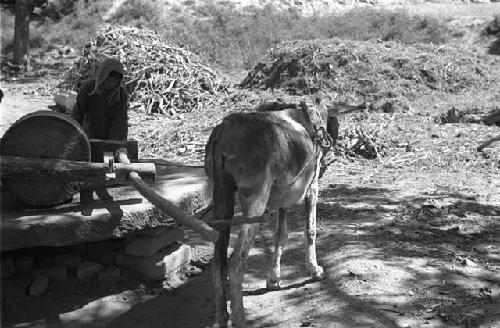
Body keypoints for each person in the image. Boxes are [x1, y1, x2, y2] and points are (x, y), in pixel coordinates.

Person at [71, 57, 128, 141]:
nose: (111, 84)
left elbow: (119, 121)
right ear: (103, 76)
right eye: (109, 80)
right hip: (88, 134)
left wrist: (113, 143)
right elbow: (78, 113)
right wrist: (74, 135)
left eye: (114, 82)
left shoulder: (121, 95)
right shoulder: (88, 88)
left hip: (111, 135)